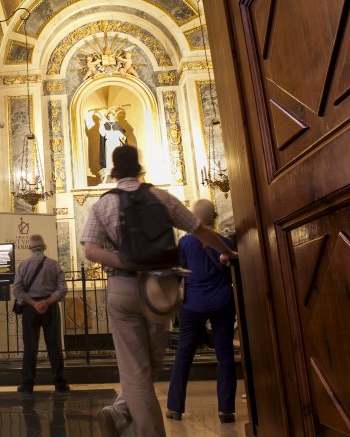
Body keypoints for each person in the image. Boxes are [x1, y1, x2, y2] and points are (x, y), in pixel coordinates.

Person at [81, 145, 237, 437]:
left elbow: (90, 250)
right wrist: (228, 251)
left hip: (123, 287)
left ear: (113, 173)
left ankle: (123, 416)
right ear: (140, 170)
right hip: (160, 291)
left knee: (137, 370)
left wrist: (127, 261)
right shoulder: (160, 196)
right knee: (151, 365)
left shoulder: (103, 204)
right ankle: (117, 413)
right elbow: (199, 229)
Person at [166, 200, 237, 423]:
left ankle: (175, 407)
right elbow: (231, 272)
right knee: (225, 354)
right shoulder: (224, 242)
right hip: (221, 301)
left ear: (195, 218)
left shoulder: (185, 242)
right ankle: (226, 410)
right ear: (213, 217)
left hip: (193, 304)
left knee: (184, 354)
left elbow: (177, 272)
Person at [13, 234, 69, 393]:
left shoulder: (23, 265)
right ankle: (59, 383)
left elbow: (17, 290)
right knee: (54, 345)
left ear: (30, 248)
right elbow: (63, 289)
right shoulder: (54, 265)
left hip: (31, 309)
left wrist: (34, 303)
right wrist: (47, 302)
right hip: (49, 307)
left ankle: (27, 384)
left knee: (30, 346)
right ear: (44, 247)